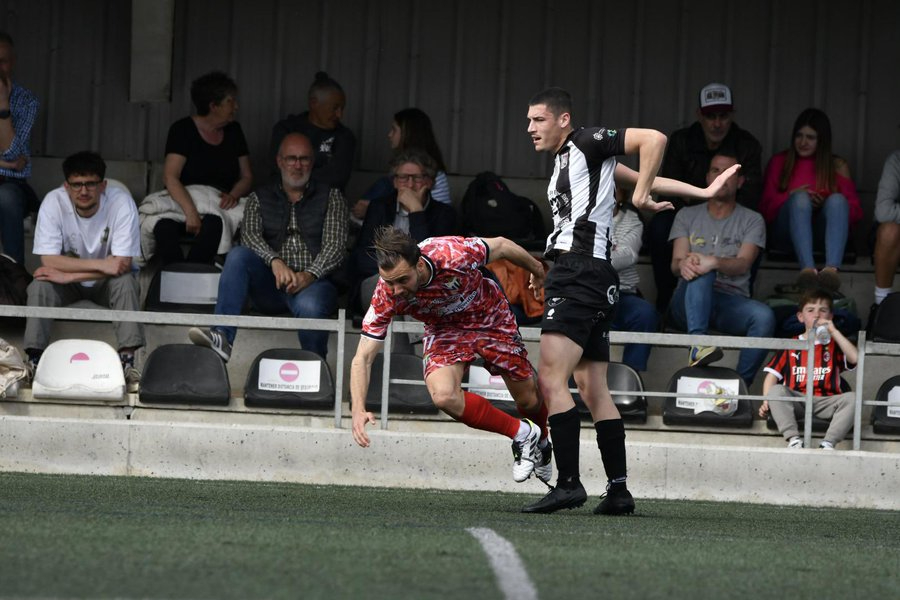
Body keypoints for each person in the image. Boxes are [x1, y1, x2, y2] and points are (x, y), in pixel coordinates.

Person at [522, 87, 670, 515]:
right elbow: (651, 176)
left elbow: (654, 140)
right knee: (591, 386)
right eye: (529, 120)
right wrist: (704, 190)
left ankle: (568, 484)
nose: (530, 128)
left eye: (538, 119)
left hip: (581, 273)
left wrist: (641, 199)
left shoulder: (586, 141)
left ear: (563, 119)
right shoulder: (576, 163)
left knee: (551, 378)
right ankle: (619, 491)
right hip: (591, 275)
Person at [350, 227, 553, 485]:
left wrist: (536, 270)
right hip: (444, 329)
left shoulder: (450, 254)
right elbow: (362, 358)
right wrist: (357, 409)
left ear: (419, 264)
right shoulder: (386, 295)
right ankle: (522, 433)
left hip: (489, 317)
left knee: (529, 399)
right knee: (444, 396)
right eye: (389, 281)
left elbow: (501, 245)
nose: (396, 289)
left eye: (402, 280)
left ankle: (543, 445)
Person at [188, 133, 347, 360]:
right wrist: (274, 261)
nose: (297, 165)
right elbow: (250, 237)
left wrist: (309, 275)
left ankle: (315, 366)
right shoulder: (259, 197)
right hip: (271, 286)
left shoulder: (331, 197)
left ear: (312, 162)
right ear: (279, 161)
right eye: (291, 158)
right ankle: (222, 336)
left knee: (311, 306)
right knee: (238, 256)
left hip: (314, 285)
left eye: (304, 159)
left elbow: (335, 247)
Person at [23, 151, 143, 392]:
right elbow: (48, 259)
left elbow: (121, 265)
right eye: (77, 184)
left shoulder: (120, 202)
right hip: (77, 281)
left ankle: (127, 364)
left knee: (126, 282)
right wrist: (101, 264)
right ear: (66, 186)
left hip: (106, 283)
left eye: (90, 183)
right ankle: (34, 361)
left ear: (103, 185)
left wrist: (69, 274)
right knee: (40, 285)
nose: (84, 191)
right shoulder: (54, 201)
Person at [648, 82, 763, 312]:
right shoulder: (682, 140)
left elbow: (750, 195)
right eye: (711, 116)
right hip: (686, 215)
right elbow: (668, 190)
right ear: (699, 115)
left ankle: (741, 300)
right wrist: (702, 210)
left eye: (723, 115)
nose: (717, 123)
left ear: (732, 115)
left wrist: (718, 206)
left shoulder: (747, 144)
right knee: (659, 226)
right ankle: (666, 300)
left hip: (733, 214)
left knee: (756, 229)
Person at [668, 153, 776, 386]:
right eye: (716, 170)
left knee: (764, 316)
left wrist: (713, 262)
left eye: (729, 172)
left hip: (730, 302)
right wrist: (686, 264)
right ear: (707, 177)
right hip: (688, 301)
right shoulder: (686, 215)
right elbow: (676, 264)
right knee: (699, 269)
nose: (721, 176)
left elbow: (744, 263)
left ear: (740, 181)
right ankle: (698, 344)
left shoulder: (752, 220)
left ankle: (739, 387)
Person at [759, 108, 863, 292]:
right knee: (800, 199)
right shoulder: (779, 162)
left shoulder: (837, 166)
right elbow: (764, 209)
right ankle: (807, 271)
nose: (803, 142)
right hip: (786, 236)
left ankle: (831, 272)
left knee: (838, 200)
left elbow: (855, 214)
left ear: (822, 140)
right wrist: (790, 197)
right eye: (799, 135)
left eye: (810, 137)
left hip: (825, 238)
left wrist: (827, 201)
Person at [156, 71, 252, 265]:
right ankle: (173, 281)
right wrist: (191, 212)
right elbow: (170, 177)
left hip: (217, 205)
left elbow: (247, 176)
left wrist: (233, 195)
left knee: (215, 225)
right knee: (163, 227)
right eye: (230, 102)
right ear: (213, 106)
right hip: (184, 202)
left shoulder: (234, 132)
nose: (236, 106)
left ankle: (192, 276)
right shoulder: (182, 130)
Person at [350, 149, 457, 315]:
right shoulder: (379, 208)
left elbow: (431, 261)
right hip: (377, 281)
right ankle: (414, 341)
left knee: (414, 287)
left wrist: (416, 212)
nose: (409, 184)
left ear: (429, 182)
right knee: (398, 287)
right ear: (394, 182)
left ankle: (405, 341)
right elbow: (362, 257)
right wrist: (395, 274)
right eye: (403, 178)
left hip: (422, 286)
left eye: (417, 178)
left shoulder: (444, 215)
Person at [759, 288, 858, 449]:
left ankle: (828, 443)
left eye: (823, 310)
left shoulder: (835, 344)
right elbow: (771, 376)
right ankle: (793, 440)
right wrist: (766, 400)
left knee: (853, 398)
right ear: (800, 317)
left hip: (827, 401)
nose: (817, 315)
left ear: (831, 316)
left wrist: (833, 331)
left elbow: (855, 358)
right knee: (776, 391)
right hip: (797, 400)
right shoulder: (790, 344)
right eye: (810, 310)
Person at [350, 108, 452, 222]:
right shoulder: (393, 175)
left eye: (394, 130)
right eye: (403, 177)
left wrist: (415, 206)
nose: (389, 135)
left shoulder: (437, 176)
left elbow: (441, 217)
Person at [270, 71, 356, 191]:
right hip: (286, 202)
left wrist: (295, 177)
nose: (340, 114)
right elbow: (277, 172)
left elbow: (336, 178)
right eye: (335, 108)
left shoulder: (344, 136)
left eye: (342, 109)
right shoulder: (286, 129)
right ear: (314, 103)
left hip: (326, 204)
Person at [0, 31, 39, 266]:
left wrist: (3, 106)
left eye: (2, 61)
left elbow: (12, 152)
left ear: (12, 62)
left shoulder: (26, 100)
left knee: (6, 197)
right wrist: (6, 164)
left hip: (10, 184)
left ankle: (15, 277)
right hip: (8, 171)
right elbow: (11, 159)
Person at [610, 186, 658, 373]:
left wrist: (594, 256)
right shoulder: (582, 217)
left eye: (614, 189)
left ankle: (629, 379)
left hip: (621, 293)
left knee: (645, 314)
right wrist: (611, 252)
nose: (607, 192)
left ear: (622, 195)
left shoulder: (631, 220)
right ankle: (577, 386)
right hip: (587, 294)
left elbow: (628, 256)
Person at [869, 150, 900, 326]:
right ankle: (882, 309)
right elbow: (883, 212)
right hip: (894, 239)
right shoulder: (896, 160)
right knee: (889, 230)